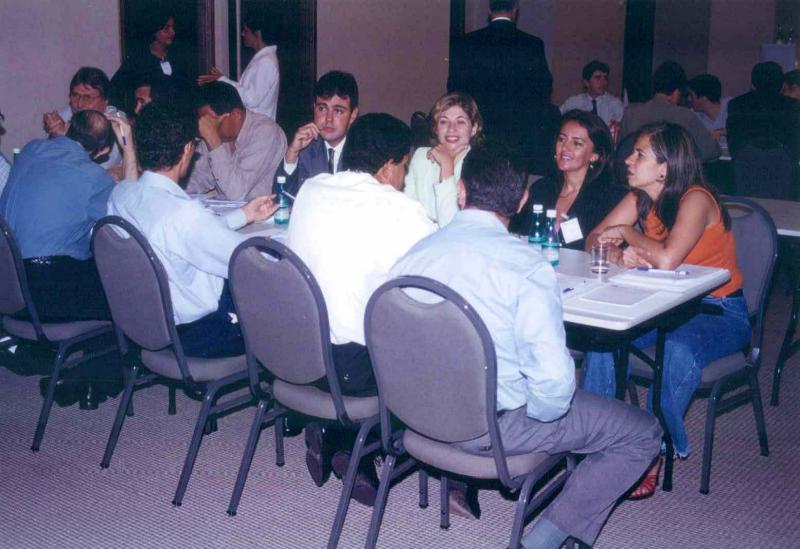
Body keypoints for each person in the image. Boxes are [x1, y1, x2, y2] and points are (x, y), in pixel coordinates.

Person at [391, 144, 662, 548]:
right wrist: (545, 418)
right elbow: (553, 391)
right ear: (520, 201)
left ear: (461, 191)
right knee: (642, 432)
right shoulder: (527, 266)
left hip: (414, 415)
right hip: (488, 428)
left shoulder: (412, 255)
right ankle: (541, 542)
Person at [583, 122, 750, 494]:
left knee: (676, 349)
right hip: (662, 306)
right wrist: (618, 255)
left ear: (664, 168)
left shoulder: (696, 198)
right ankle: (597, 439)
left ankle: (651, 447)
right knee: (603, 340)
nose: (628, 159)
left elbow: (667, 258)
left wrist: (628, 235)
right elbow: (593, 238)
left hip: (718, 311)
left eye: (639, 154)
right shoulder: (640, 198)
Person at [287, 113, 436, 507]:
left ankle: (335, 432)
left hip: (299, 356)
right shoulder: (401, 210)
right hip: (353, 371)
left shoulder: (311, 189)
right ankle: (361, 444)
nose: (404, 178)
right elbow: (435, 283)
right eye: (404, 167)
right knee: (435, 345)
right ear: (387, 166)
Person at [108, 103, 277, 358]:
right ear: (188, 149)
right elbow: (251, 265)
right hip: (198, 334)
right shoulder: (185, 215)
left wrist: (242, 215)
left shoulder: (121, 195)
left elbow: (183, 237)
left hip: (141, 323)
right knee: (279, 298)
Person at [0, 109, 134, 322]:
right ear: (104, 151)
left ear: (69, 127)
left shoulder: (31, 148)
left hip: (8, 282)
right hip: (46, 290)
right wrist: (128, 150)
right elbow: (128, 220)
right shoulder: (95, 178)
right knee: (126, 288)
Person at [447, 0, 554, 173]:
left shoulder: (467, 42)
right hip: (519, 132)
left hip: (479, 129)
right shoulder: (532, 44)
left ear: (490, 10)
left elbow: (454, 88)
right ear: (515, 10)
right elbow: (543, 89)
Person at [510, 110, 627, 250]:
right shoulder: (541, 188)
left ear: (595, 155)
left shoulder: (610, 198)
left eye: (577, 143)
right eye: (561, 139)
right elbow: (517, 235)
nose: (565, 147)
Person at [186, 81, 286, 200]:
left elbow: (237, 193)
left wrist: (214, 140)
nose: (208, 129)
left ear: (236, 114)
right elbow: (199, 178)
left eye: (212, 124)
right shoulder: (221, 134)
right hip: (223, 207)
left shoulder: (265, 132)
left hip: (260, 209)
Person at [273, 70, 359, 196]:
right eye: (322, 108)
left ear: (353, 115)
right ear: (314, 109)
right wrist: (292, 153)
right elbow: (280, 198)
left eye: (338, 111)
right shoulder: (305, 149)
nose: (328, 119)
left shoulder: (363, 152)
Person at [404, 92, 483, 227]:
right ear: (436, 128)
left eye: (460, 122)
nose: (451, 129)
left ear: (474, 129)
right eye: (444, 122)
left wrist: (447, 165)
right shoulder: (421, 157)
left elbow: (454, 227)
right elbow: (407, 213)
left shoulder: (481, 165)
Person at [621, 62, 719, 162]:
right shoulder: (686, 116)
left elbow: (622, 151)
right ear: (677, 92)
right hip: (671, 170)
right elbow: (711, 151)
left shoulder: (630, 113)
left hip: (636, 169)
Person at [198, 13, 279, 119]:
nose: (242, 34)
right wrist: (222, 79)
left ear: (257, 34)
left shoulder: (266, 61)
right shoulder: (263, 58)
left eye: (246, 31)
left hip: (258, 126)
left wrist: (223, 79)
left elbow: (251, 99)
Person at [108, 11, 192, 114]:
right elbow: (115, 89)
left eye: (173, 28)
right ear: (154, 30)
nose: (172, 32)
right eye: (166, 28)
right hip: (147, 117)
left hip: (177, 116)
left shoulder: (179, 57)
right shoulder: (138, 59)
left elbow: (188, 89)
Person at [42, 67, 123, 171]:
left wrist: (65, 137)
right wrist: (53, 136)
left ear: (106, 100)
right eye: (75, 95)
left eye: (88, 97)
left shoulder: (117, 122)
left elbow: (97, 170)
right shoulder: (63, 116)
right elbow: (47, 162)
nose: (79, 104)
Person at [727, 61, 800, 160]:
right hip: (784, 164)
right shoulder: (792, 105)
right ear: (781, 84)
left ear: (753, 83)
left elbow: (733, 142)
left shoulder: (736, 104)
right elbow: (795, 143)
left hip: (745, 164)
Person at [560, 60, 624, 131]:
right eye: (598, 78)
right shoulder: (573, 102)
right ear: (586, 83)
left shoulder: (615, 104)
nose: (603, 82)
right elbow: (557, 118)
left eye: (605, 78)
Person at [687, 74, 729, 143]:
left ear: (703, 98)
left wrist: (722, 132)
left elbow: (745, 129)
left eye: (691, 96)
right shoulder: (692, 115)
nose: (688, 99)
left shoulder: (733, 107)